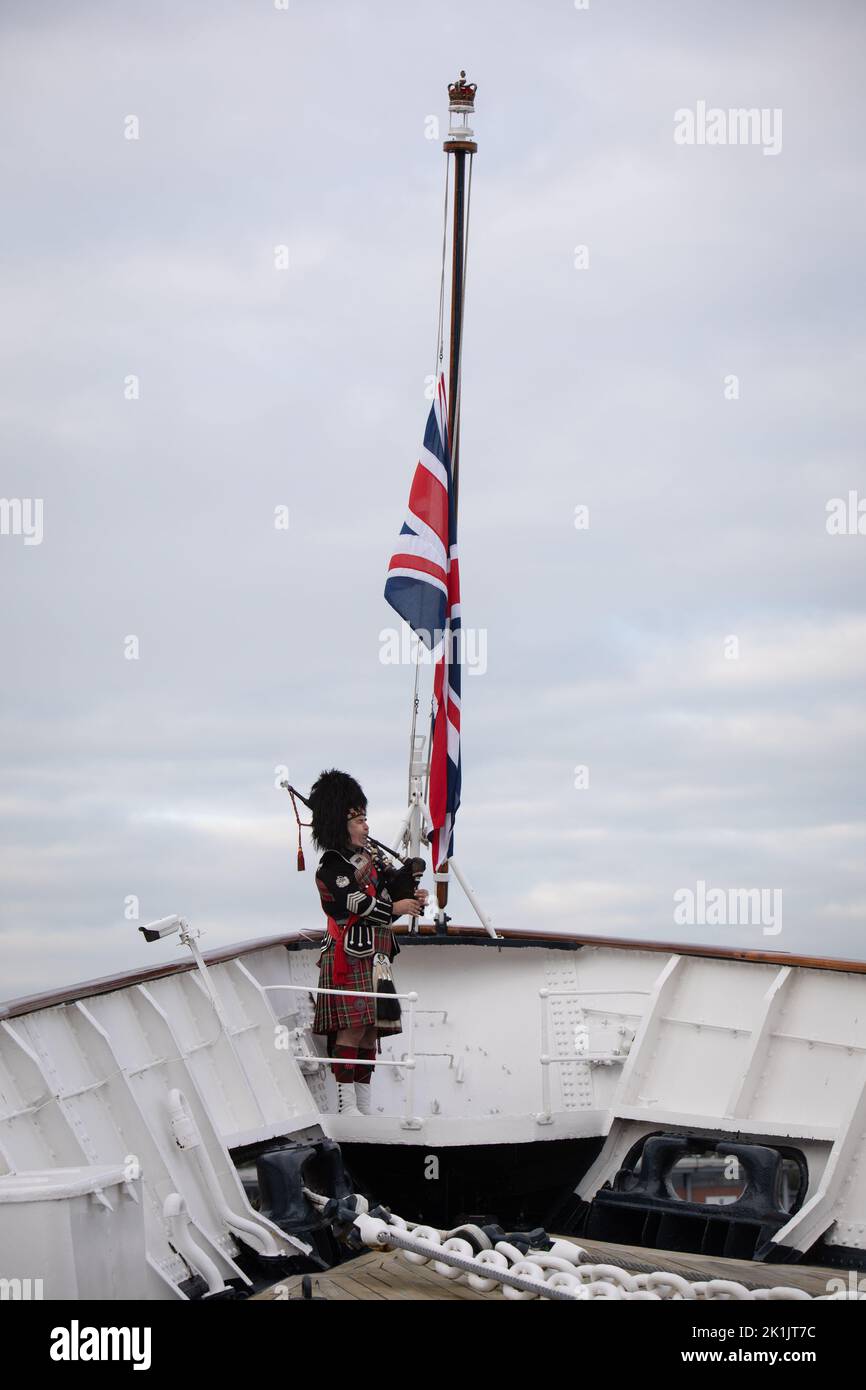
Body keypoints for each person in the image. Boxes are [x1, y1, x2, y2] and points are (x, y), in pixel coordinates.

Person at [307, 768, 428, 1115]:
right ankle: (347, 1107)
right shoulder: (331, 866)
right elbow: (355, 904)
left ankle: (363, 1104)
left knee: (370, 1030)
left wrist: (410, 885)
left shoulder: (371, 859)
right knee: (352, 1027)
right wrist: (396, 907)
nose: (366, 826)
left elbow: (390, 890)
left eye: (365, 818)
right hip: (348, 952)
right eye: (358, 819)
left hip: (376, 954)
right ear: (339, 824)